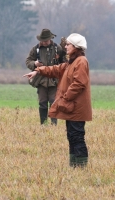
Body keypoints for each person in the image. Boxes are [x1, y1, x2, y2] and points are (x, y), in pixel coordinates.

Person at [24, 33, 92, 167]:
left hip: (77, 107)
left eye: (68, 44)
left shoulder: (81, 61)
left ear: (76, 46)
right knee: (72, 136)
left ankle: (81, 167)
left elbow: (79, 84)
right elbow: (56, 69)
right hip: (72, 107)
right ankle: (74, 166)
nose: (65, 47)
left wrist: (65, 98)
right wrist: (38, 70)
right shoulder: (71, 62)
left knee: (77, 137)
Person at [26, 28, 65, 125]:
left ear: (50, 39)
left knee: (53, 102)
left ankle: (54, 124)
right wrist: (34, 63)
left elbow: (64, 63)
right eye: (42, 40)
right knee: (42, 102)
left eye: (45, 40)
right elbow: (28, 61)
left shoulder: (58, 48)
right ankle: (43, 125)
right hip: (41, 80)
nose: (44, 42)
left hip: (54, 80)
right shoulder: (36, 49)